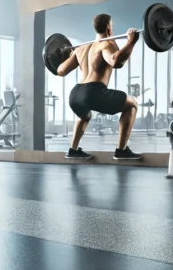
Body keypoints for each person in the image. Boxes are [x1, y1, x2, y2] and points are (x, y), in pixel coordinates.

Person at [56, 13, 142, 161]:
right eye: (112, 25)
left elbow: (60, 70)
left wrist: (69, 54)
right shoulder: (106, 44)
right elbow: (116, 62)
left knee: (84, 116)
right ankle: (121, 150)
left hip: (75, 94)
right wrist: (131, 42)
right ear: (109, 26)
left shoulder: (81, 48)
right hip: (93, 91)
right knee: (132, 104)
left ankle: (73, 149)